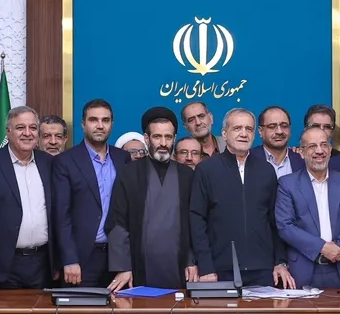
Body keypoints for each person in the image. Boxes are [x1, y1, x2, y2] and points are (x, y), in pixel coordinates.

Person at [189, 108, 295, 288]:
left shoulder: (266, 170)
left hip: (263, 268)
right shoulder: (207, 170)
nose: (244, 134)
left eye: (249, 129)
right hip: (220, 269)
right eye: (237, 128)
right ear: (224, 133)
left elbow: (274, 220)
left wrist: (280, 261)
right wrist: (205, 266)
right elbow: (197, 220)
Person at [106, 107, 197, 291]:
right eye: (157, 137)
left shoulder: (187, 175)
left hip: (180, 267)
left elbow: (194, 224)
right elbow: (117, 222)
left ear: (174, 138)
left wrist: (191, 260)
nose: (163, 143)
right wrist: (123, 266)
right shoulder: (129, 173)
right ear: (146, 139)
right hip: (138, 266)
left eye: (168, 137)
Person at [0, 106, 55, 290]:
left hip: (43, 264)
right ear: (8, 131)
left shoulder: (49, 163)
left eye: (33, 128)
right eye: (21, 127)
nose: (27, 133)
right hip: (1, 266)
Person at [275, 126, 340, 289]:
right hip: (302, 270)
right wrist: (322, 247)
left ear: (330, 150)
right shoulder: (287, 184)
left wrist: (339, 248)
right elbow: (285, 226)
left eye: (324, 145)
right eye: (312, 146)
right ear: (302, 152)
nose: (319, 151)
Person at [53, 99, 129, 287]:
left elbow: (128, 212)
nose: (100, 125)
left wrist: (127, 261)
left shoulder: (123, 158)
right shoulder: (65, 161)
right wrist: (69, 259)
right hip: (81, 259)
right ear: (83, 124)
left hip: (117, 257)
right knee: (81, 307)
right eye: (94, 120)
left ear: (112, 124)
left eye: (105, 120)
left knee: (120, 306)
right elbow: (61, 215)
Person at [250, 105, 305, 178]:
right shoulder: (248, 158)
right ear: (260, 131)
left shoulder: (302, 159)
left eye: (284, 126)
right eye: (272, 126)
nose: (279, 131)